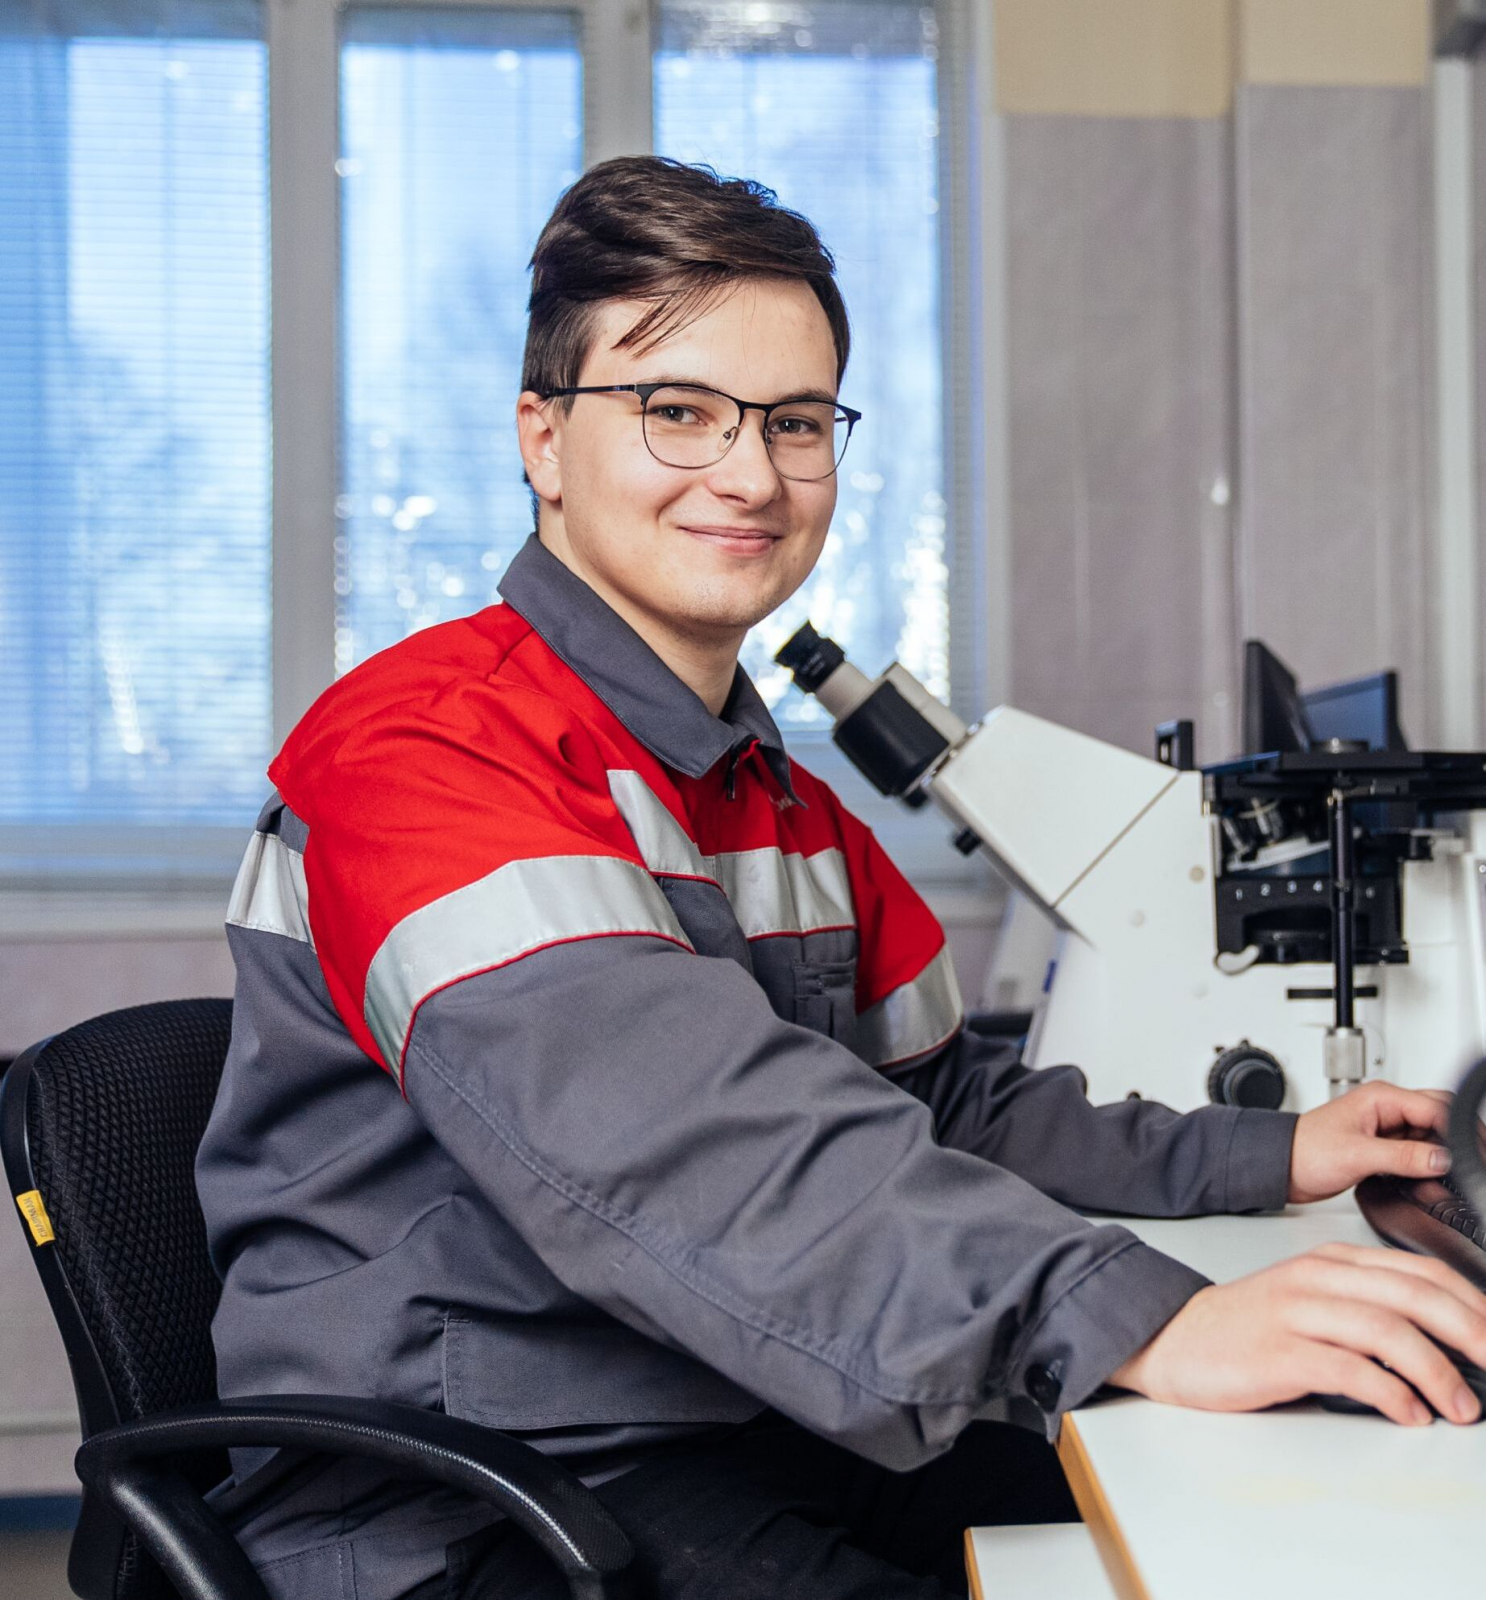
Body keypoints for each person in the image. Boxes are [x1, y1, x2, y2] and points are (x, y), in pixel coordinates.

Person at [196, 157, 1486, 1600]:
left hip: (727, 1406)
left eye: (795, 422)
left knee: (1269, 1507)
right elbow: (690, 1149)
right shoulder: (427, 751)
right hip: (469, 1491)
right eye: (676, 410)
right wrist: (1133, 1317)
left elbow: (945, 1108)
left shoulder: (774, 799)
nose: (750, 475)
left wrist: (1273, 1153)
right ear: (544, 440)